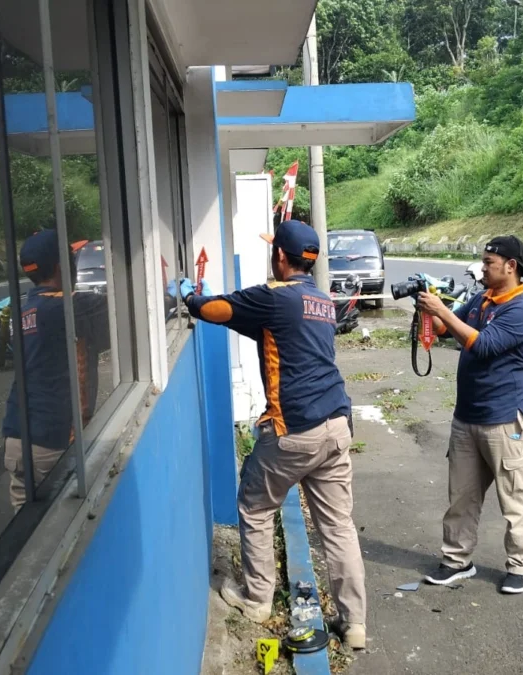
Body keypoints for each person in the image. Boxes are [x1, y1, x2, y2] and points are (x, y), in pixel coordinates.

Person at [181, 220, 368, 650]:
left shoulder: (272, 297)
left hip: (293, 429)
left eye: (273, 250)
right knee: (338, 525)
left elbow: (212, 310)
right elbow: (274, 334)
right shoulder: (320, 300)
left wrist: (188, 295)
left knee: (255, 504)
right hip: (336, 424)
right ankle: (354, 623)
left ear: (280, 257)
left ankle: (257, 598)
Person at [415, 236, 523, 595]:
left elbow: (483, 345)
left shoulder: (522, 309)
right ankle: (456, 560)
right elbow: (448, 331)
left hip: (503, 419)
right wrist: (430, 313)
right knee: (462, 496)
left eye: (488, 262)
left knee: (515, 498)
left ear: (510, 266)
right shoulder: (482, 299)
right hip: (466, 417)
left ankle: (521, 566)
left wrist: (442, 311)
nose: (482, 268)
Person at [1, 230, 109, 509]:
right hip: (53, 443)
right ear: (63, 267)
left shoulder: (26, 310)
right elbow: (136, 312)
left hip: (17, 440)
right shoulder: (71, 307)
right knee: (67, 529)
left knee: (27, 538)